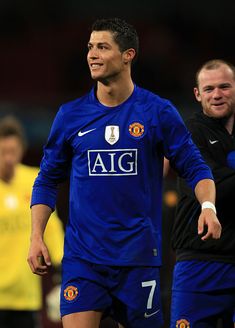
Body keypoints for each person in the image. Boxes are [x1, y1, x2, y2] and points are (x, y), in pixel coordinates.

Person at [27, 18, 221, 328]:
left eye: (103, 47)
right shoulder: (70, 115)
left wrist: (208, 208)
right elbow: (47, 179)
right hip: (84, 259)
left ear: (128, 54)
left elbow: (196, 168)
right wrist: (36, 235)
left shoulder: (157, 112)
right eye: (90, 47)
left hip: (138, 259)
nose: (93, 54)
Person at [170, 59, 235, 328]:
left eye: (224, 87)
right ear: (197, 94)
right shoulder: (189, 134)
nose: (216, 94)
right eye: (208, 89)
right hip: (199, 263)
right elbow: (213, 186)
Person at [0, 115, 64, 328]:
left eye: (13, 151)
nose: (9, 158)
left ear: (22, 149)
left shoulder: (35, 181)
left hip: (26, 297)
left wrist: (63, 271)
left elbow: (52, 228)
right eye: (3, 152)